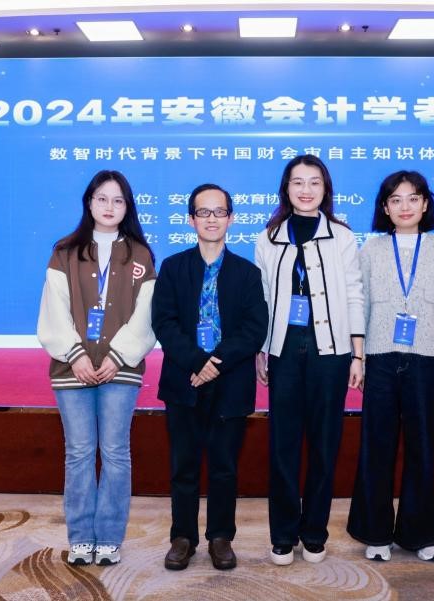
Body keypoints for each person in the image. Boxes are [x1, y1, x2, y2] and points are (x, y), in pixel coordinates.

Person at [346, 170, 434, 563]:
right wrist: (357, 358)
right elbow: (358, 307)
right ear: (384, 207)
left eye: (413, 198)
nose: (404, 207)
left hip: (427, 358)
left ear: (425, 204)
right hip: (380, 357)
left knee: (421, 447)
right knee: (376, 446)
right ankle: (375, 532)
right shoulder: (371, 249)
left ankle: (421, 533)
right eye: (395, 200)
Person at [37, 170, 157, 567]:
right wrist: (75, 355)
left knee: (116, 452)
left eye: (118, 200)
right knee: (79, 453)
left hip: (119, 370)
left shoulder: (140, 254)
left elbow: (146, 315)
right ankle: (80, 538)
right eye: (102, 198)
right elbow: (53, 309)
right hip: (72, 368)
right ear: (89, 203)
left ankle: (108, 537)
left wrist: (117, 357)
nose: (109, 206)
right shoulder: (65, 251)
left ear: (128, 207)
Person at [254, 155, 364, 566]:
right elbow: (263, 299)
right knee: (282, 445)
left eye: (314, 182)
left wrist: (357, 353)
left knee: (324, 443)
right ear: (286, 188)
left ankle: (315, 532)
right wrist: (261, 350)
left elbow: (354, 293)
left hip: (330, 351)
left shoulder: (342, 236)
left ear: (325, 189)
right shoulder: (268, 237)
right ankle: (283, 534)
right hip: (283, 350)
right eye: (297, 182)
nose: (305, 190)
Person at [151, 183, 268, 571]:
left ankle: (220, 537)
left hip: (230, 382)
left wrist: (214, 363)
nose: (212, 219)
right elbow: (164, 323)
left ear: (231, 219)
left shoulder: (247, 273)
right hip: (184, 382)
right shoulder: (173, 268)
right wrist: (196, 363)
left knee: (224, 467)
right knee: (183, 466)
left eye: (219, 212)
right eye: (204, 212)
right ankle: (182, 537)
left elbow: (254, 328)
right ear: (191, 220)